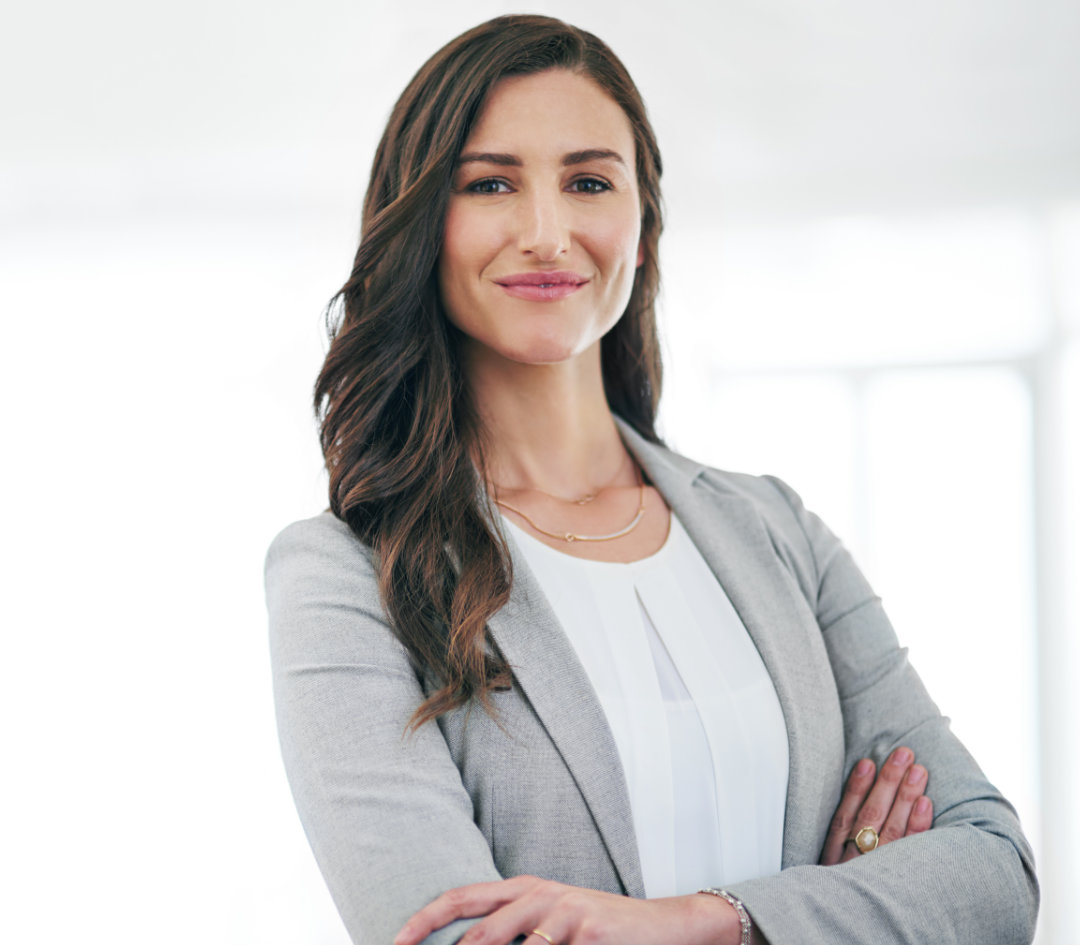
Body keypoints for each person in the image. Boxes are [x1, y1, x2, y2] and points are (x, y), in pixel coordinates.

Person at [265, 14, 1037, 945]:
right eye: (491, 183)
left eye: (588, 181)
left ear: (641, 226)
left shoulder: (775, 529)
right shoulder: (345, 576)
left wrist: (711, 920)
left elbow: (993, 872)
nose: (546, 233)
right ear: (425, 224)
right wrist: (841, 911)